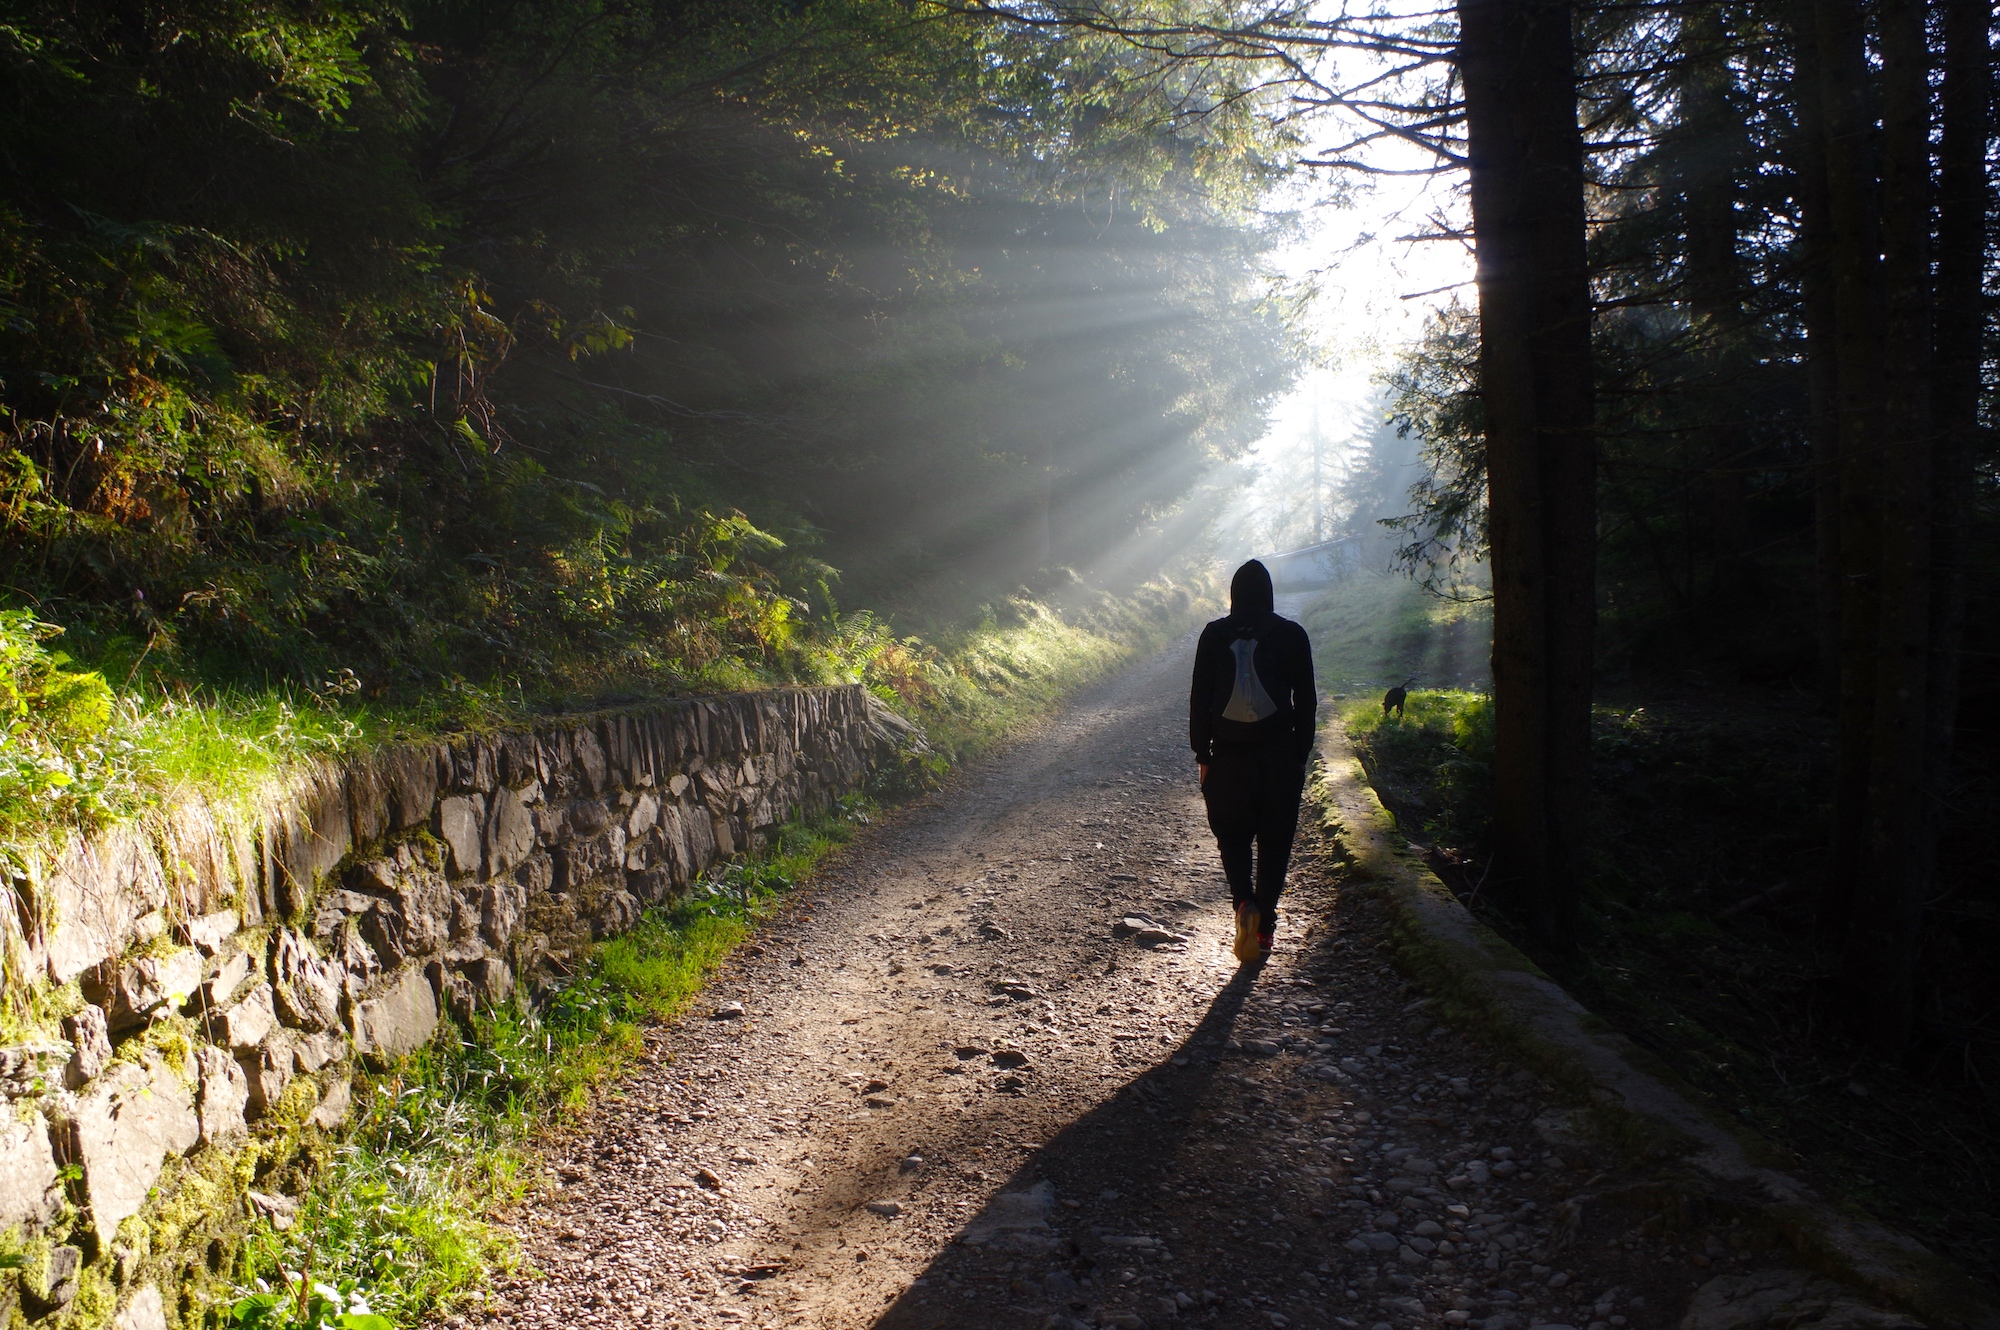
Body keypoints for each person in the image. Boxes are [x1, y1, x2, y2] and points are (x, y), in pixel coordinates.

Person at [1189, 559, 1317, 962]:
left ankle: (1244, 903)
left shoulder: (1213, 635)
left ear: (1233, 594)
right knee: (1275, 842)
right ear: (1269, 594)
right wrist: (1300, 754)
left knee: (1233, 835)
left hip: (1227, 754)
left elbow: (1199, 700)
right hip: (1279, 754)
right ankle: (1265, 929)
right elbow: (1307, 701)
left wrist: (1203, 754)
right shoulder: (1292, 634)